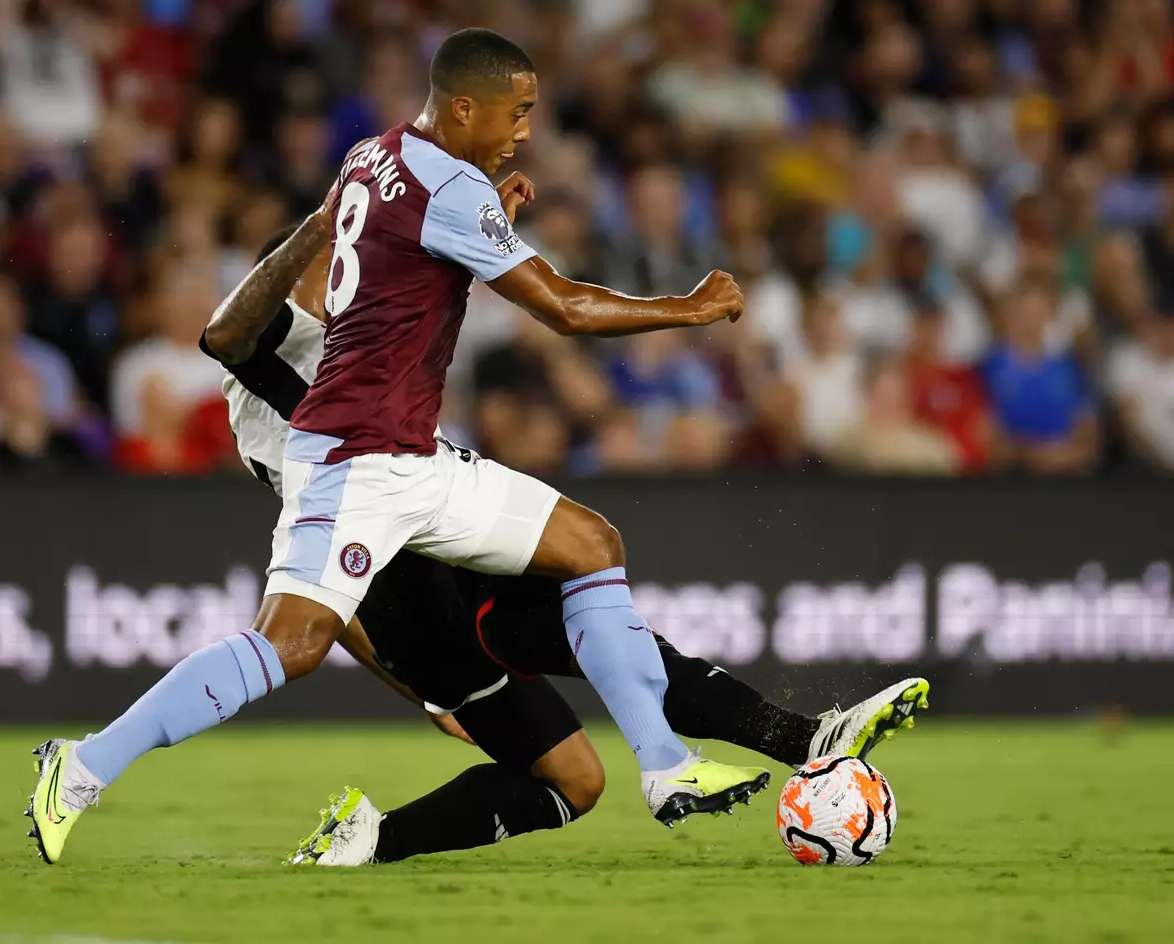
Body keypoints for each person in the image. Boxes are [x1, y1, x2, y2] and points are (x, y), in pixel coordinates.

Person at [27, 29, 770, 865]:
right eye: (516, 112)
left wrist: (486, 208)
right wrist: (690, 307)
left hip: (414, 457)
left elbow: (407, 247)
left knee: (591, 544)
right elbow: (563, 307)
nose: (525, 129)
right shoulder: (449, 189)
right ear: (464, 107)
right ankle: (81, 767)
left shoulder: (373, 155)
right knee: (291, 645)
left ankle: (666, 767)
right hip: (353, 458)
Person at [206, 225, 930, 867]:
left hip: (447, 539)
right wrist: (424, 695)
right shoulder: (266, 374)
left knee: (600, 660)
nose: (347, 275)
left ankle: (804, 739)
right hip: (413, 598)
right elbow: (324, 590)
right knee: (576, 771)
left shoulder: (346, 341)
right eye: (331, 263)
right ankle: (370, 839)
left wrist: (480, 228)